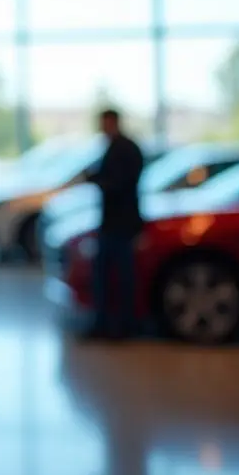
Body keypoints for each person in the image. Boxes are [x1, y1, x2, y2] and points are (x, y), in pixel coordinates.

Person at [85, 108, 145, 338]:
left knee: (122, 277)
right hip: (112, 223)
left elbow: (120, 183)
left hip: (121, 224)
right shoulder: (115, 148)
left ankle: (123, 325)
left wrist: (98, 180)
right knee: (106, 276)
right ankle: (108, 323)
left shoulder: (125, 150)